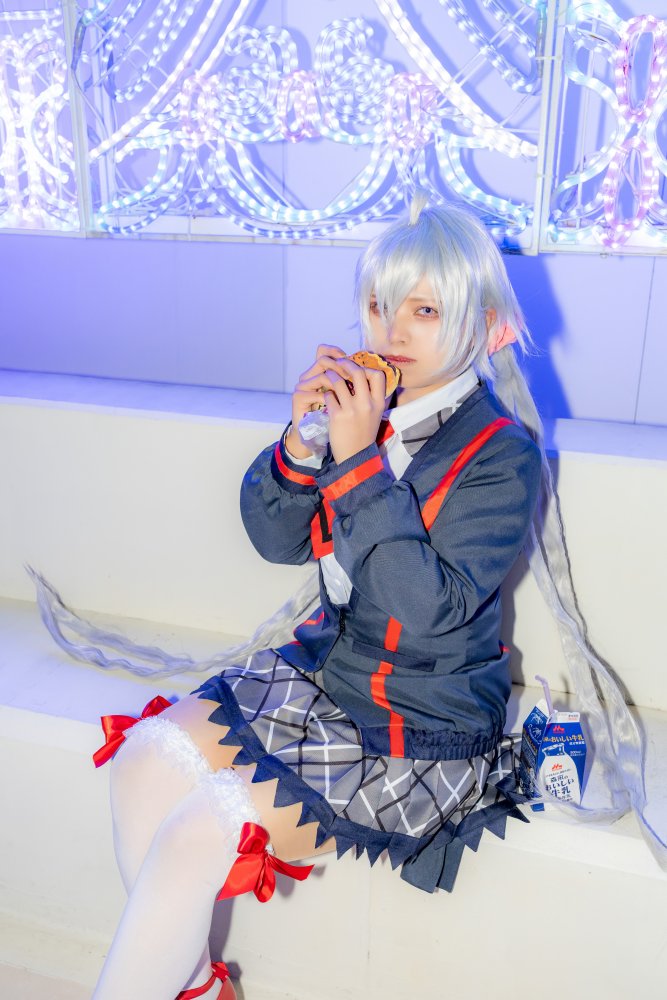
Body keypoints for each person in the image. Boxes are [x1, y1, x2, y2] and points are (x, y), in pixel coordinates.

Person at [32, 197, 655, 1000]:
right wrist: (302, 444)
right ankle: (197, 988)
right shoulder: (365, 409)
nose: (391, 329)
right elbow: (277, 540)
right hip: (327, 676)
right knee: (143, 759)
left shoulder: (502, 456)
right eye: (378, 304)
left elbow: (425, 610)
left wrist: (358, 463)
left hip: (420, 722)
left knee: (196, 834)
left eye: (423, 310)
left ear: (484, 325)